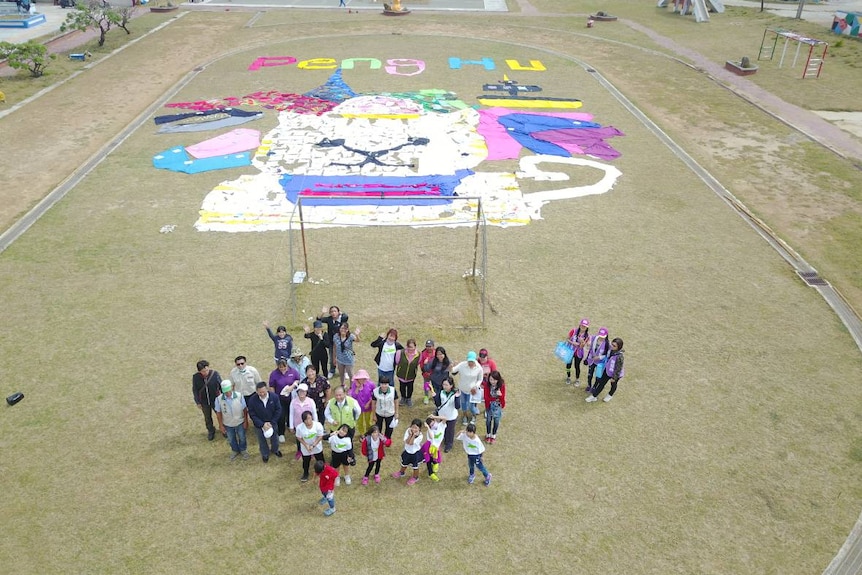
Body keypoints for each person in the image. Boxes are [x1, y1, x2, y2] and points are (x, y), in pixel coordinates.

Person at [246, 381, 283, 463]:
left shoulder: (274, 397)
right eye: (260, 392)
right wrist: (262, 424)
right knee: (261, 440)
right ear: (256, 391)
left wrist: (272, 422)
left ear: (267, 389)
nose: (262, 394)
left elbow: (278, 410)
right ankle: (265, 454)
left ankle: (275, 450)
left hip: (272, 423)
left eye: (263, 392)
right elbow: (252, 414)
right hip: (259, 425)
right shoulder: (252, 400)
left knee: (275, 438)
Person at [213, 379, 250, 461]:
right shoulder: (218, 399)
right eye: (225, 391)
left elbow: (244, 409)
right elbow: (218, 413)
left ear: (232, 388)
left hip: (240, 422)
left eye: (228, 391)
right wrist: (221, 425)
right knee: (231, 438)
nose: (227, 393)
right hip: (228, 424)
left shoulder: (239, 396)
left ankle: (243, 450)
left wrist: (246, 421)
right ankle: (235, 450)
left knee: (242, 437)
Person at [269, 358, 300, 444]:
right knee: (281, 416)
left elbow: (297, 379)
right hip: (280, 399)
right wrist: (274, 397)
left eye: (284, 367)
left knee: (292, 413)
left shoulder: (293, 371)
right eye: (280, 367)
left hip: (292, 398)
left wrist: (292, 386)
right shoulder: (274, 374)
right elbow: (271, 386)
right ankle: (281, 433)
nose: (282, 369)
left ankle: (292, 426)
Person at [587, 337, 625, 403]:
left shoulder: (620, 356)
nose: (612, 346)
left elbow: (618, 368)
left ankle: (610, 395)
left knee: (613, 384)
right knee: (601, 383)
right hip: (607, 370)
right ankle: (594, 396)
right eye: (612, 344)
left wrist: (614, 377)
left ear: (619, 347)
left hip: (615, 374)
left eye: (614, 346)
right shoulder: (610, 350)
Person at [450, 351, 483, 426]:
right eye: (469, 361)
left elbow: (480, 379)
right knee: (463, 404)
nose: (470, 363)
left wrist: (476, 386)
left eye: (472, 361)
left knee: (472, 406)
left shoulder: (479, 368)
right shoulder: (462, 365)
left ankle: (474, 416)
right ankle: (465, 416)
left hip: (472, 392)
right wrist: (451, 366)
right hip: (462, 390)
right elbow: (453, 370)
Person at [192, 359, 221, 441]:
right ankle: (211, 431)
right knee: (207, 417)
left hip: (215, 400)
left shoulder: (215, 374)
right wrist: (197, 402)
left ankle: (224, 429)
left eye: (207, 370)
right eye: (203, 371)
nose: (206, 372)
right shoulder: (195, 377)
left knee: (220, 415)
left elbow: (221, 385)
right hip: (204, 402)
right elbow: (195, 390)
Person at [391, 418, 424, 486]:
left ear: (419, 429)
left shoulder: (420, 436)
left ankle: (415, 477)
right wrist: (410, 435)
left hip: (415, 453)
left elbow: (411, 443)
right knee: (404, 463)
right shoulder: (408, 431)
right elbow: (407, 442)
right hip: (407, 451)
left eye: (416, 428)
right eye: (412, 427)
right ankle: (401, 472)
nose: (414, 429)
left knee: (415, 467)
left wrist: (413, 435)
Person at [289, 383, 317, 461]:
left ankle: (312, 452)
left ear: (306, 392)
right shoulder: (293, 402)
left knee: (310, 437)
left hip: (309, 424)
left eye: (304, 391)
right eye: (300, 391)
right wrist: (291, 426)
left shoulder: (310, 401)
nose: (302, 393)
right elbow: (291, 414)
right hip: (298, 424)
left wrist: (316, 423)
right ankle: (299, 451)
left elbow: (314, 413)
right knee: (299, 438)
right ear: (297, 392)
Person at [317, 305, 348, 376]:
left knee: (343, 356)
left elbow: (346, 316)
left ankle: (345, 371)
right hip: (332, 341)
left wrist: (341, 313)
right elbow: (319, 319)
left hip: (342, 341)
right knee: (332, 357)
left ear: (338, 312)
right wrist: (323, 313)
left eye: (335, 311)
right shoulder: (329, 319)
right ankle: (332, 370)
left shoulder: (342, 318)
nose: (333, 313)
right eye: (331, 312)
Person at [296, 410, 325, 482]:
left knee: (320, 460)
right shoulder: (299, 427)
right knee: (306, 461)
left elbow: (320, 436)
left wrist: (313, 445)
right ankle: (306, 473)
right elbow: (299, 437)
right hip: (306, 448)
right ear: (303, 420)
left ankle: (323, 472)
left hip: (317, 446)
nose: (308, 421)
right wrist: (306, 445)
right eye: (306, 419)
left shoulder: (318, 425)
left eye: (309, 418)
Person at [437, 376, 461, 453]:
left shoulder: (455, 394)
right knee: (442, 428)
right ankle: (444, 439)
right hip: (442, 415)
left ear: (451, 385)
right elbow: (438, 403)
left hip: (451, 416)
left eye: (446, 385)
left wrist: (457, 397)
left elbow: (457, 406)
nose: (444, 386)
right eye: (443, 384)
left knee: (450, 431)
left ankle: (449, 444)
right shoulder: (441, 392)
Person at [395, 338, 421, 407]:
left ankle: (409, 399)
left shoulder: (418, 354)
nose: (410, 349)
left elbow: (418, 363)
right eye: (409, 347)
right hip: (401, 374)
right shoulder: (400, 353)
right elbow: (397, 362)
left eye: (412, 347)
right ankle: (403, 398)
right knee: (402, 387)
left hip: (411, 375)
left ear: (415, 347)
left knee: (410, 387)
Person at [349, 369, 376, 436]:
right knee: (359, 422)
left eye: (364, 378)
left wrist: (369, 403)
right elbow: (353, 396)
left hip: (368, 407)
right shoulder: (354, 385)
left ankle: (368, 432)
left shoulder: (371, 384)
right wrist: (357, 388)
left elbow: (374, 395)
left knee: (368, 421)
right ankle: (362, 433)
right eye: (360, 378)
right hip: (358, 408)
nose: (362, 380)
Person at [565, 318, 590, 386]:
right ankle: (568, 377)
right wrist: (573, 342)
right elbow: (567, 339)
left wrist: (582, 342)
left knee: (577, 366)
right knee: (568, 365)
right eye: (582, 325)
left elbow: (583, 346)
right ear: (579, 325)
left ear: (587, 327)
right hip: (570, 351)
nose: (583, 327)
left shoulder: (587, 336)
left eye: (584, 326)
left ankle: (577, 379)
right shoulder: (573, 331)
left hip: (578, 353)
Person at [483, 370, 506, 443]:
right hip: (489, 406)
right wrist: (496, 398)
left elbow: (502, 398)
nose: (492, 381)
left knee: (496, 421)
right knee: (488, 421)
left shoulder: (501, 386)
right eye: (491, 380)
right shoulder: (487, 385)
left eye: (494, 380)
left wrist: (500, 396)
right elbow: (486, 397)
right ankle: (488, 434)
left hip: (497, 406)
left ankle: (493, 435)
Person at [585, 327, 610, 393]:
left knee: (598, 375)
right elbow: (589, 338)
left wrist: (599, 357)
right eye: (600, 335)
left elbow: (607, 354)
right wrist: (588, 341)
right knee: (590, 374)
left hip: (599, 363)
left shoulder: (607, 344)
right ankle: (589, 385)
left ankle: (594, 387)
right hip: (591, 360)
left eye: (603, 336)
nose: (601, 337)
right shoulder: (594, 338)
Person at [423, 415, 447, 481]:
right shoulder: (430, 430)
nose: (434, 426)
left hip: (436, 447)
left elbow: (445, 418)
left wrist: (434, 416)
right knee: (428, 459)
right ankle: (431, 474)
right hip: (429, 446)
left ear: (435, 421)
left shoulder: (441, 425)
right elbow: (431, 437)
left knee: (435, 457)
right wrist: (428, 427)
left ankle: (435, 463)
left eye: (433, 423)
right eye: (431, 425)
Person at [418, 339, 437, 405]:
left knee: (435, 386)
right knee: (426, 385)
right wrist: (424, 372)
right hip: (426, 374)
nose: (428, 348)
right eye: (427, 346)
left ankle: (435, 396)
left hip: (434, 373)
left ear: (433, 346)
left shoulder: (436, 353)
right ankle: (426, 396)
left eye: (430, 346)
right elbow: (421, 364)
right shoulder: (423, 353)